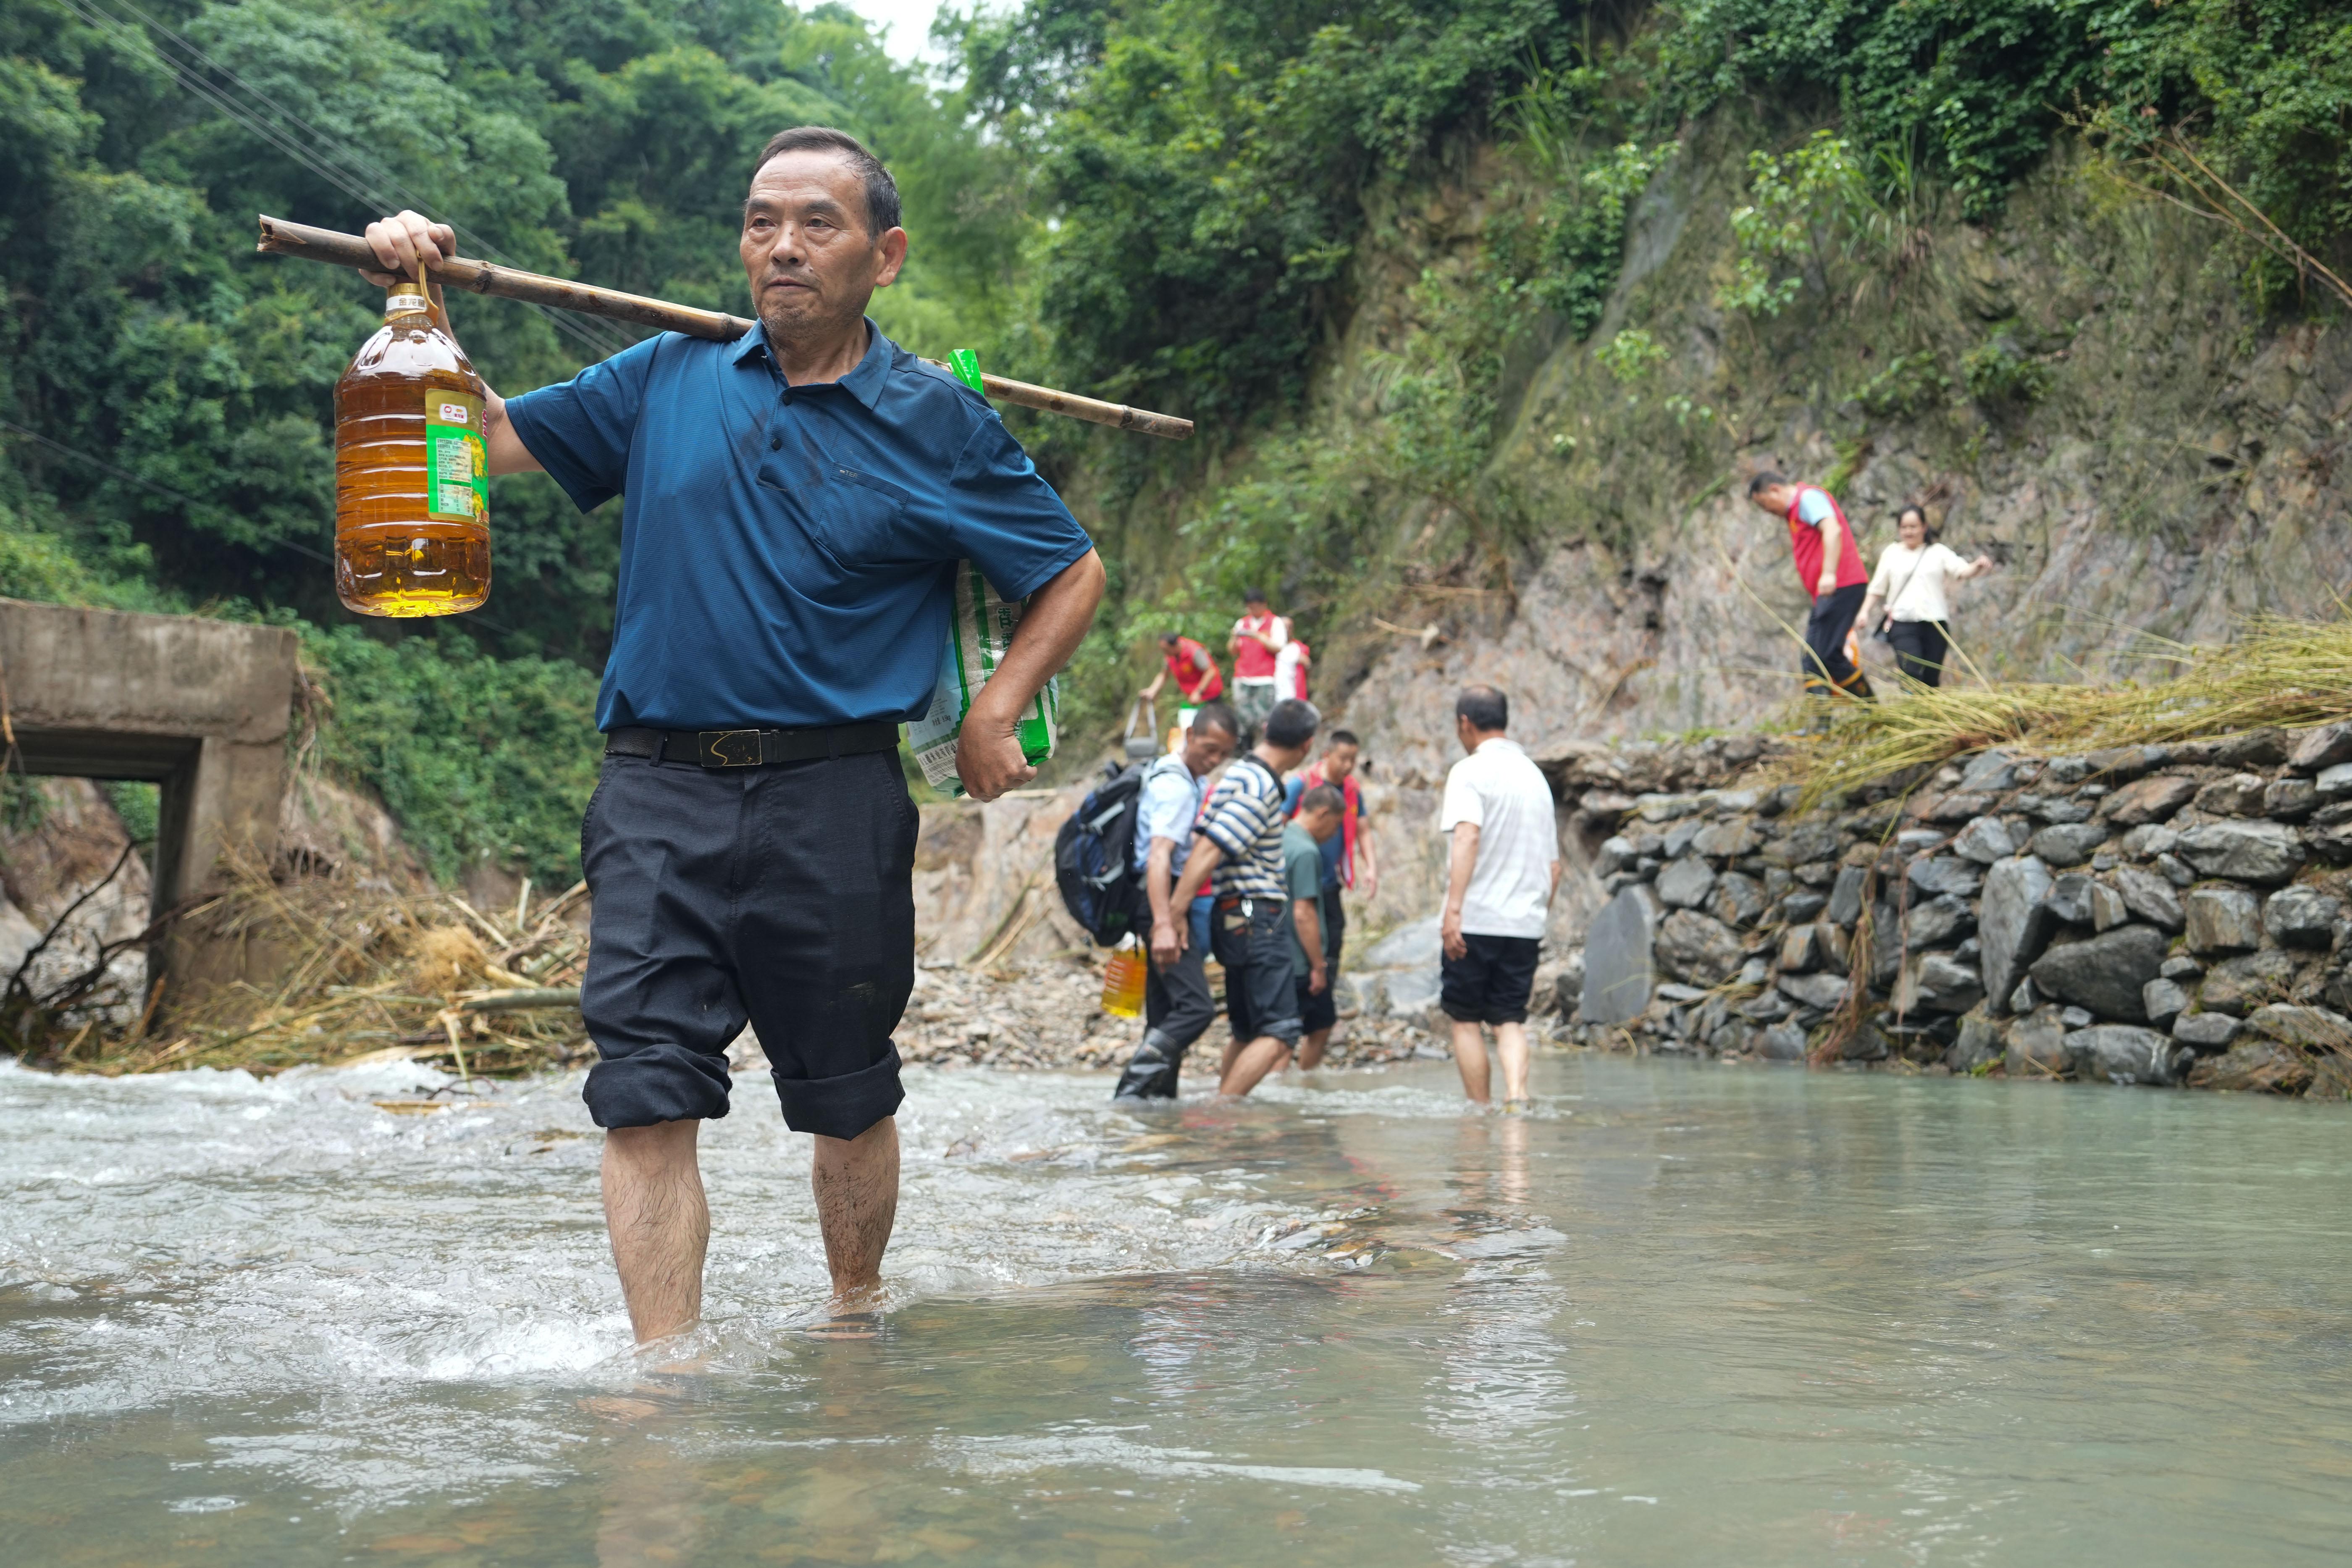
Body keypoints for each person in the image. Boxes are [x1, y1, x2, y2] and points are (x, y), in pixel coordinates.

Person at [359, 126, 1105, 1345]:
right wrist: (418, 294)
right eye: (763, 222)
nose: (783, 247)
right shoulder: (666, 374)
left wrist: (995, 705)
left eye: (819, 223)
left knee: (845, 1092)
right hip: (656, 789)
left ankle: (856, 1319)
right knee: (644, 1092)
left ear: (887, 254)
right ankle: (665, 1379)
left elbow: (1071, 570)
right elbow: (488, 441)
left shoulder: (939, 422)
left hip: (837, 795)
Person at [1169, 697, 1320, 1100]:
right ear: (1307, 745)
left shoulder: (1237, 774)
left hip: (1233, 913)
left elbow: (1203, 839)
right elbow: (1210, 849)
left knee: (1246, 1029)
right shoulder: (1261, 785)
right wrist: (1175, 912)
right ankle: (1224, 1110)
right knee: (1281, 1032)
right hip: (1257, 916)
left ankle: (1226, 1118)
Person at [1111, 700, 1241, 1102]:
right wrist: (1165, 921)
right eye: (1209, 749)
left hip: (1162, 900)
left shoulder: (1183, 777)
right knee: (1197, 1008)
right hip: (1160, 899)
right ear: (1189, 737)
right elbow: (1159, 856)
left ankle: (1159, 1100)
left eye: (1224, 753)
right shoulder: (1176, 786)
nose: (1214, 759)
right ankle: (1130, 1091)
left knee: (1166, 1010)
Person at [1438, 686, 1559, 1111]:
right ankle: (1517, 1097)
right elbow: (1554, 868)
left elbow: (1467, 835)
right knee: (1509, 1019)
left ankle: (1480, 1112)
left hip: (1475, 921)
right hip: (1523, 923)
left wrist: (1453, 911)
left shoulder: (1469, 771)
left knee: (1465, 1019)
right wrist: (1534, 919)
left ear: (1464, 723)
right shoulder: (1535, 777)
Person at [1283, 730, 1379, 1069]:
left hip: (1328, 884)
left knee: (1332, 941)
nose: (1349, 765)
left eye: (1354, 759)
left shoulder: (1352, 790)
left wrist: (1371, 868)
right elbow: (1279, 824)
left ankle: (1321, 987)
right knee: (1306, 937)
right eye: (1343, 758)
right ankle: (1314, 985)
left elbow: (1364, 828)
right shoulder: (1300, 785)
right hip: (1299, 883)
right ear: (1327, 754)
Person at [1748, 470, 1872, 700]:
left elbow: (1833, 530)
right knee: (1813, 659)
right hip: (1828, 592)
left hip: (1842, 585)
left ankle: (1873, 711)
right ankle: (1820, 726)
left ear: (1775, 490)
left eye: (1766, 505)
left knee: (1826, 654)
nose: (1769, 512)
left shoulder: (1807, 499)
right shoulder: (1795, 512)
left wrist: (1828, 574)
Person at [1857, 504, 1994, 688]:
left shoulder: (1938, 552)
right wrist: (1864, 611)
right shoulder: (1892, 553)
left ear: (1924, 527)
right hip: (1902, 621)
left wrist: (1977, 565)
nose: (1909, 531)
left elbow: (1961, 570)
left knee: (1931, 679)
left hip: (1935, 623)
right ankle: (1910, 705)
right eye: (1904, 527)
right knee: (1911, 671)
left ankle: (1927, 715)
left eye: (1913, 527)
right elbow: (1877, 587)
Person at [1284, 785, 1347, 1072]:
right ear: (1322, 814)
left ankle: (1294, 1084)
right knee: (1287, 1033)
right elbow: (1304, 913)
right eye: (1335, 825)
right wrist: (1318, 966)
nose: (1334, 835)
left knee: (1310, 1024)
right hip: (1299, 961)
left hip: (1278, 954)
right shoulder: (1307, 851)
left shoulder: (1282, 837)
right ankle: (1286, 1086)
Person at [1227, 590, 1290, 733]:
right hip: (1243, 676)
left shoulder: (1275, 622)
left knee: (1263, 717)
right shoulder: (1242, 623)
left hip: (1265, 678)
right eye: (1250, 607)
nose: (1253, 610)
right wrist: (1234, 637)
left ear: (1264, 605)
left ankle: (1262, 743)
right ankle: (1245, 744)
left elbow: (1278, 647)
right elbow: (1232, 651)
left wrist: (1259, 637)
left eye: (1255, 607)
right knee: (1242, 714)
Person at [1141, 630, 1224, 708]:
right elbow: (1164, 675)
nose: (1164, 653)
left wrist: (1199, 692)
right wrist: (1152, 690)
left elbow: (1211, 671)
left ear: (1174, 646)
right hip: (1191, 698)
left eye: (1166, 650)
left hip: (1209, 696)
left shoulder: (1194, 651)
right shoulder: (1170, 656)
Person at [1273, 633, 1310, 704]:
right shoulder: (1271, 645)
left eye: (1289, 627)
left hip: (1293, 693)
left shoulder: (1298, 648)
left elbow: (1307, 666)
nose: (1287, 631)